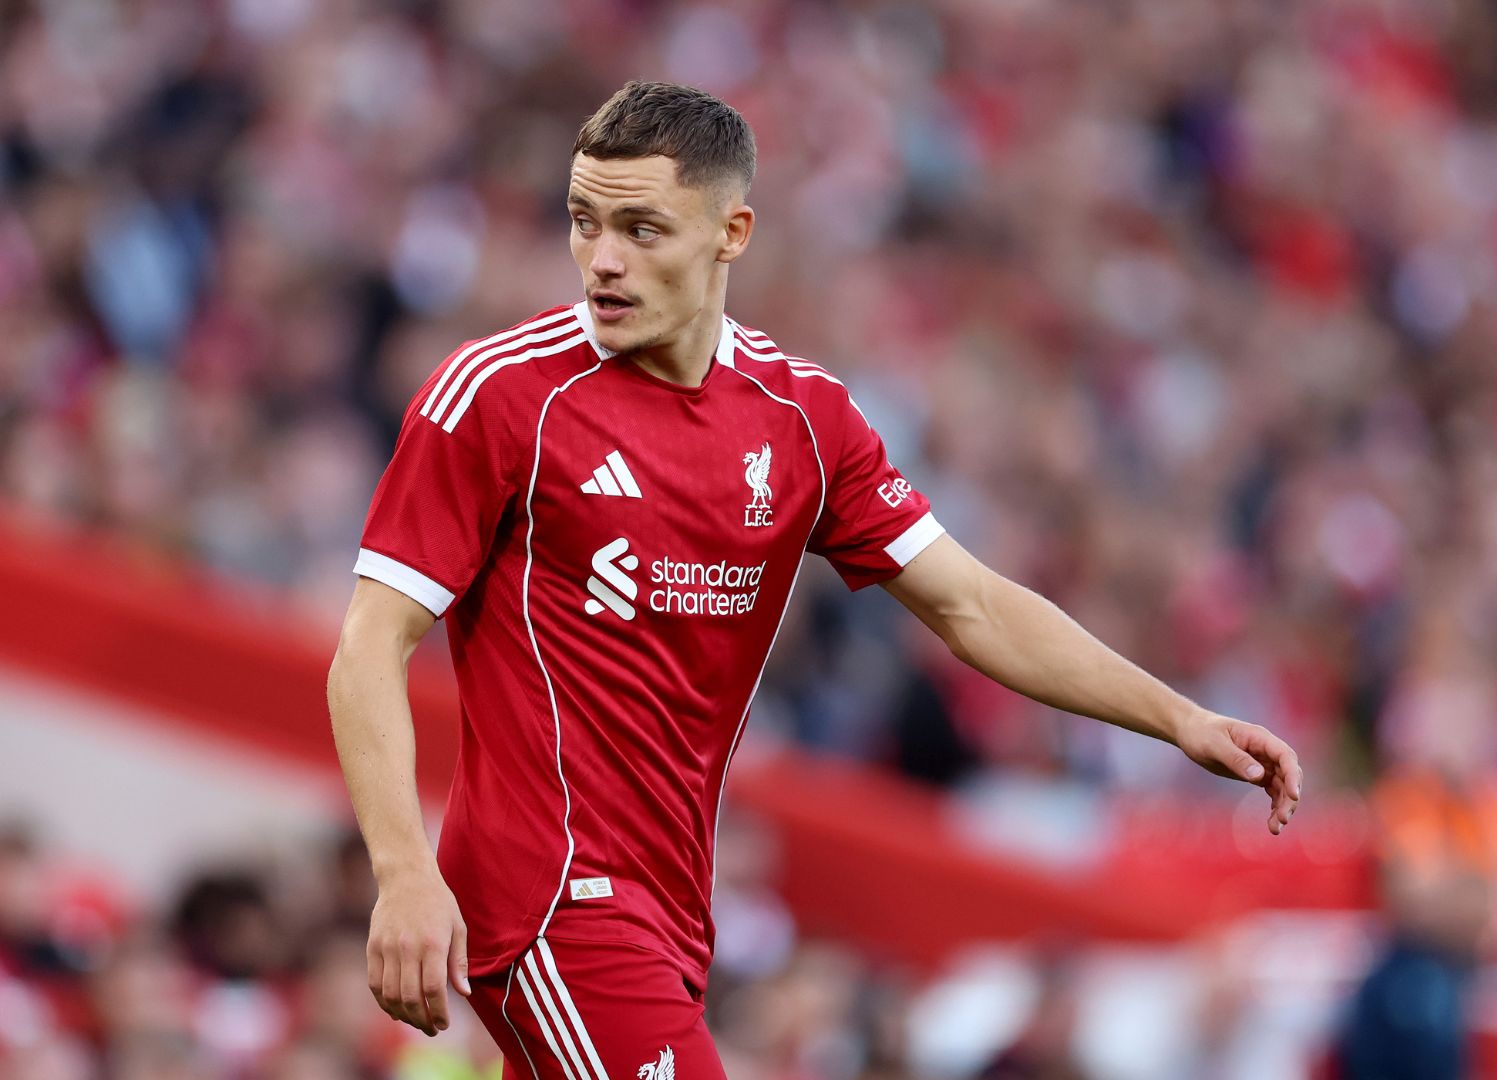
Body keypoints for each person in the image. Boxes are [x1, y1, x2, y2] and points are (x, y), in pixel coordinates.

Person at [326, 81, 1303, 1079]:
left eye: (640, 227)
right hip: (551, 900)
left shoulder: (799, 420)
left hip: (673, 907)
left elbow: (971, 607)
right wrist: (403, 872)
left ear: (730, 232)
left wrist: (1177, 717)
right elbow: (369, 641)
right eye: (584, 222)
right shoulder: (499, 394)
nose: (602, 259)